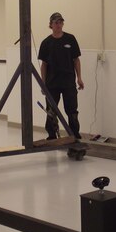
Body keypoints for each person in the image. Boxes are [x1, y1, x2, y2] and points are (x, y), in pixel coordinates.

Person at [37, 12, 84, 140]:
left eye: (60, 22)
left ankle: (74, 136)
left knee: (72, 111)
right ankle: (52, 136)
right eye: (56, 23)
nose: (58, 25)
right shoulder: (46, 43)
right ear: (50, 25)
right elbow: (44, 65)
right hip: (52, 84)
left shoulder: (70, 39)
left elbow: (76, 60)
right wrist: (43, 82)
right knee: (51, 112)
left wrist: (79, 78)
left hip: (68, 83)